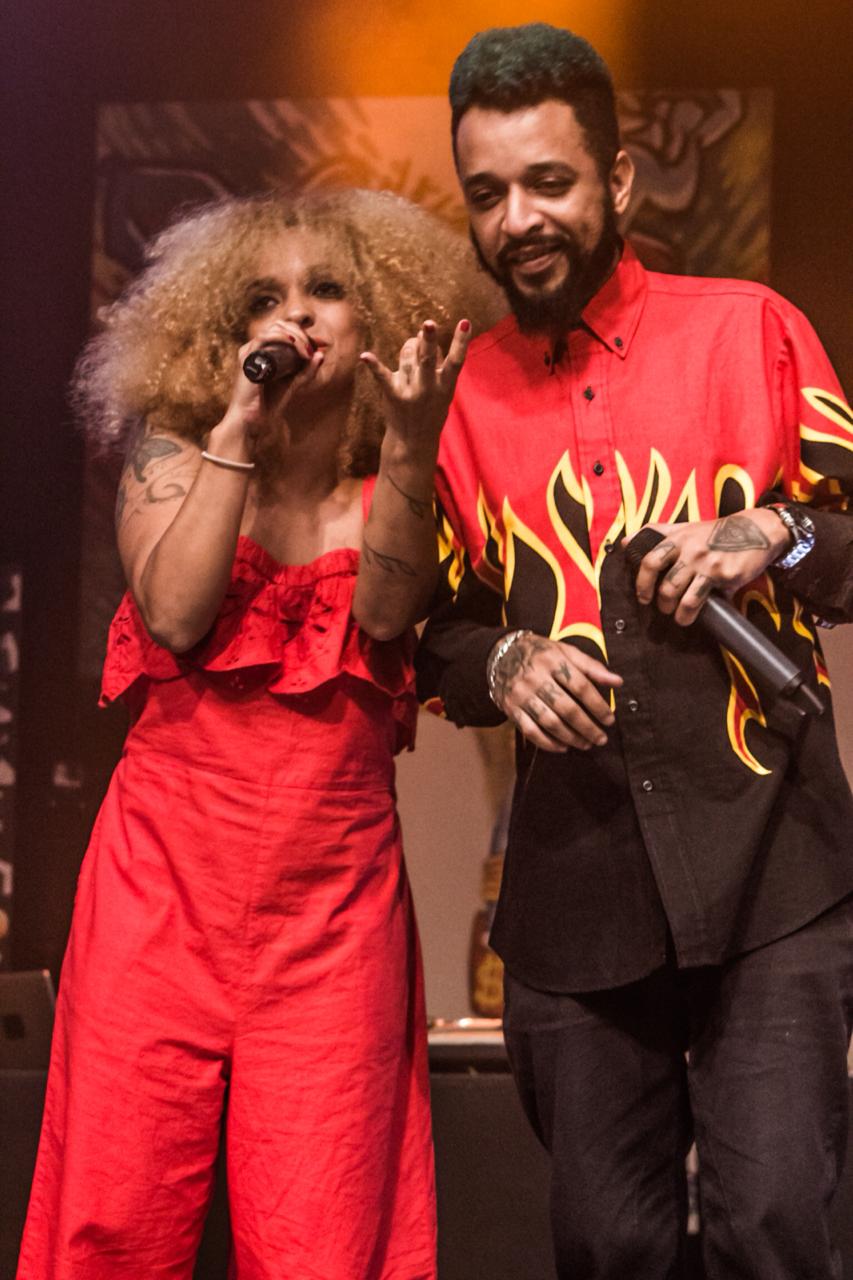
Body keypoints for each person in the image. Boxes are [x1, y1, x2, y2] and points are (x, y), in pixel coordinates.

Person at [416, 23, 853, 1280]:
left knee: (773, 1228)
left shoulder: (753, 331)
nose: (518, 220)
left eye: (548, 182)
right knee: (606, 1244)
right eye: (488, 193)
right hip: (577, 884)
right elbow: (428, 635)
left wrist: (767, 532)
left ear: (614, 181)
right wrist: (502, 665)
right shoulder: (458, 399)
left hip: (775, 864)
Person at [17, 188, 498, 1280]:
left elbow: (387, 613)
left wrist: (413, 446)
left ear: (377, 317)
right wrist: (235, 428)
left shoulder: (395, 483)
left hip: (332, 918)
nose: (296, 316)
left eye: (325, 289)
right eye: (261, 299)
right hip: (158, 899)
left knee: (323, 1236)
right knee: (115, 1218)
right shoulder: (173, 455)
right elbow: (178, 614)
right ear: (216, 331)